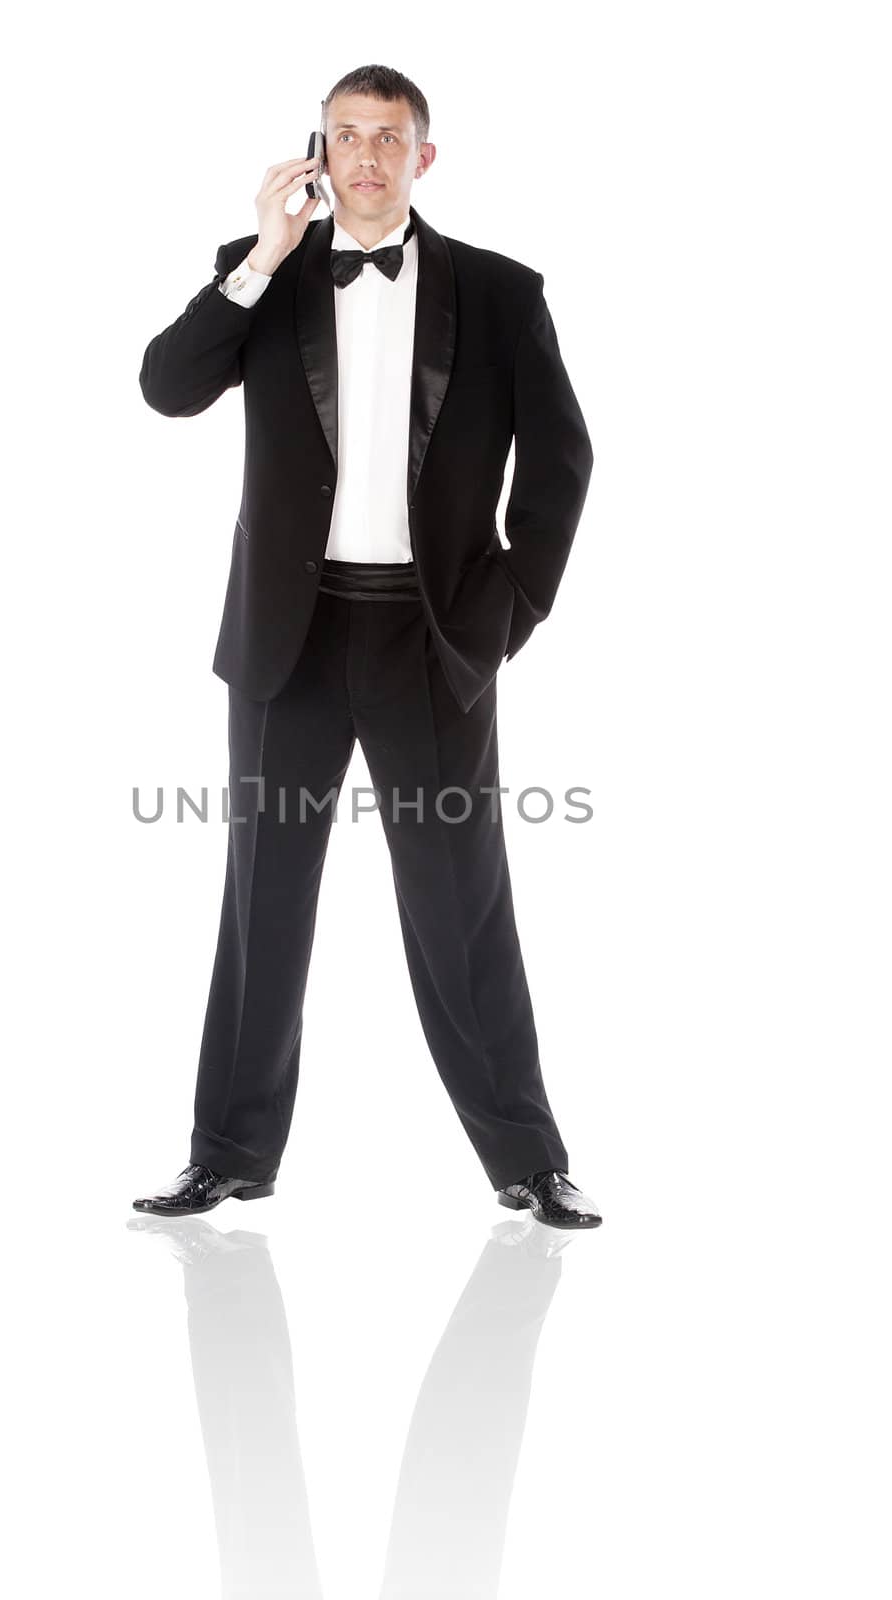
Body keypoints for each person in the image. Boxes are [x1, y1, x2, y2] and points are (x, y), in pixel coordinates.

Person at [133, 64, 601, 1229]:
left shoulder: (498, 294)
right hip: (288, 635)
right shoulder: (268, 284)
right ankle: (226, 1150)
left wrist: (504, 614)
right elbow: (164, 387)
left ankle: (528, 1159)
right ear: (316, 152)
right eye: (345, 136)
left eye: (389, 139)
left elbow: (562, 463)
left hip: (431, 639)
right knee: (262, 897)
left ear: (422, 158)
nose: (366, 158)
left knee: (459, 899)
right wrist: (256, 254)